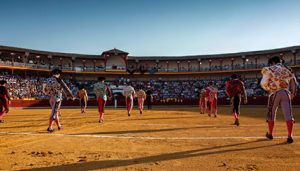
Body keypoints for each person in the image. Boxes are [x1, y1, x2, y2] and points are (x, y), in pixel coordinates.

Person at [261, 56, 298, 143]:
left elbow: (263, 83)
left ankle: (270, 134)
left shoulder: (269, 69)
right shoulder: (287, 69)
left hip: (274, 93)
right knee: (288, 115)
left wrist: (268, 88)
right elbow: (294, 83)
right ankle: (290, 135)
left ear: (273, 62)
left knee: (272, 114)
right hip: (286, 92)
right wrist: (292, 93)